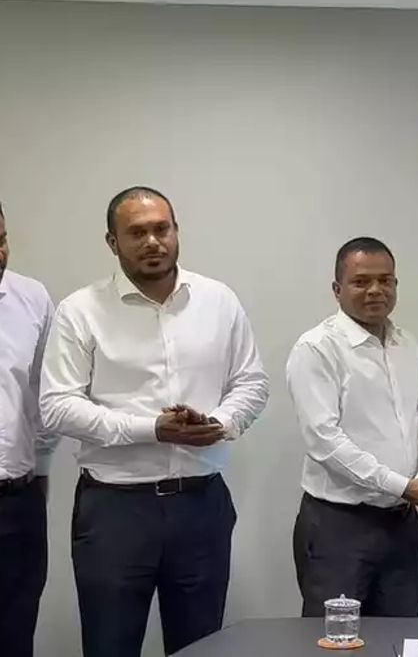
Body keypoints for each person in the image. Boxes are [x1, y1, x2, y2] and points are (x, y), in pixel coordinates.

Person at [39, 186, 269, 656]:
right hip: (115, 512)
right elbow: (58, 405)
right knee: (110, 645)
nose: (152, 242)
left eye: (161, 229)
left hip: (201, 505)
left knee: (199, 647)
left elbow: (252, 382)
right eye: (137, 233)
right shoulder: (80, 310)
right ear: (113, 242)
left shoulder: (218, 300)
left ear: (176, 231)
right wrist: (152, 429)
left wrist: (220, 422)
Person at [288, 237, 418, 618]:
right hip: (339, 527)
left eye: (385, 280)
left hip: (400, 524)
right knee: (334, 639)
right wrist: (403, 485)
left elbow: (411, 413)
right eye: (361, 281)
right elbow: (324, 441)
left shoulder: (405, 343)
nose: (375, 290)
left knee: (399, 636)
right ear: (337, 289)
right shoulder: (317, 348)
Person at [0, 201, 57, 657]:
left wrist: (41, 470)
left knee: (16, 634)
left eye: (1, 240)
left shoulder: (31, 298)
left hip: (15, 502)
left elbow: (45, 394)